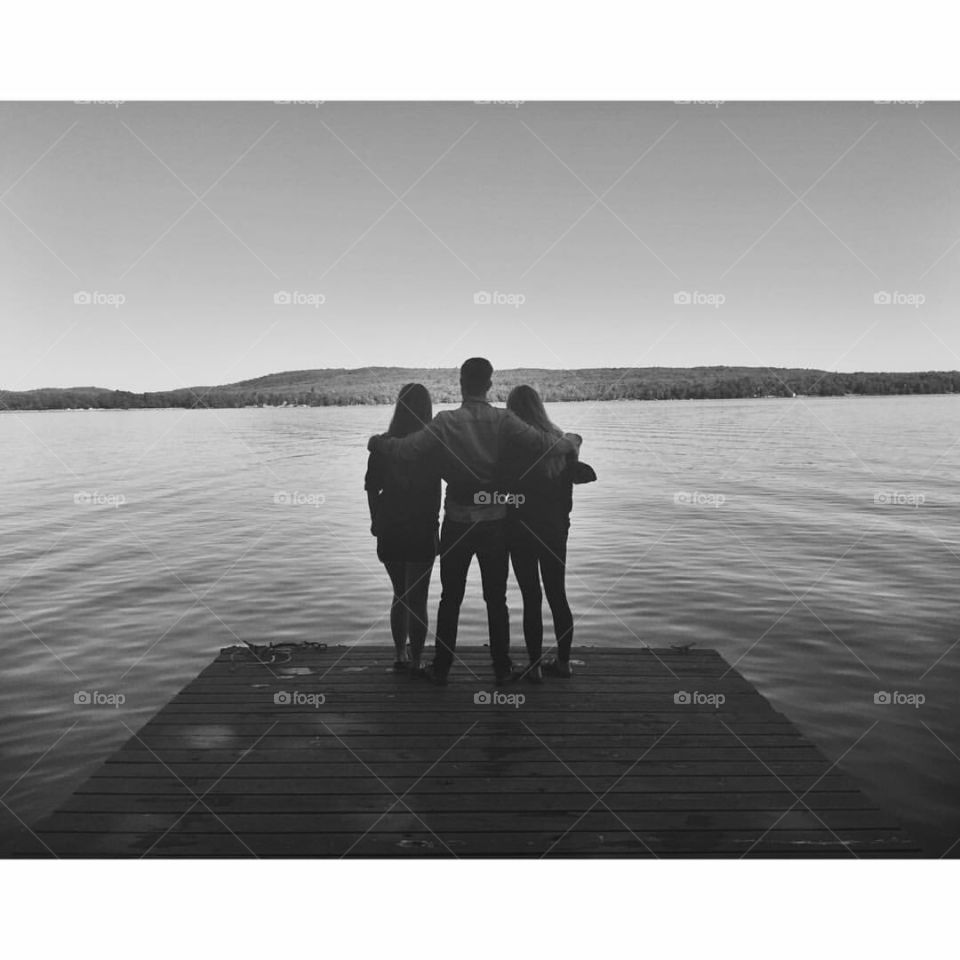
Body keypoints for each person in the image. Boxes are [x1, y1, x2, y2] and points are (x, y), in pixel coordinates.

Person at [368, 358, 580, 685]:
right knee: (497, 599)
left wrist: (377, 444)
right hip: (494, 521)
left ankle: (441, 668)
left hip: (457, 521)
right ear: (490, 384)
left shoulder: (445, 422)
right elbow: (544, 445)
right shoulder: (504, 419)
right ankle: (501, 667)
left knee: (450, 597)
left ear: (461, 383)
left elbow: (406, 450)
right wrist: (573, 441)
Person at [503, 385, 596, 680]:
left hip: (520, 529)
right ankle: (564, 662)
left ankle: (533, 667)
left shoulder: (512, 445)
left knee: (531, 597)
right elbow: (574, 482)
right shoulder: (561, 442)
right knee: (558, 594)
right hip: (556, 529)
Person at [365, 383, 441, 674]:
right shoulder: (433, 446)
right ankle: (419, 658)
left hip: (390, 527)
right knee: (417, 598)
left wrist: (375, 521)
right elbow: (438, 492)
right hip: (421, 527)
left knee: (400, 594)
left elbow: (372, 487)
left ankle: (399, 654)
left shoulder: (383, 445)